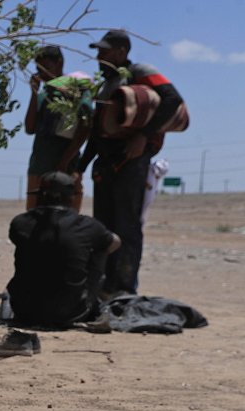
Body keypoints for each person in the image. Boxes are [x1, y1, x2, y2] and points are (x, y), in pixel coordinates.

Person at [77, 29, 184, 296]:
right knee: (103, 227)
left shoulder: (140, 71)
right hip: (105, 163)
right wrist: (80, 167)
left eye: (104, 51)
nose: (98, 56)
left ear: (121, 52)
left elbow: (172, 99)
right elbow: (97, 131)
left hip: (131, 161)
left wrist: (143, 136)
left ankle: (124, 287)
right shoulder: (105, 84)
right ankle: (103, 285)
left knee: (127, 226)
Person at [6, 171, 121, 328]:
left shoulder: (20, 222)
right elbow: (115, 242)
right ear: (71, 198)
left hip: (24, 311)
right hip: (71, 314)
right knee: (101, 248)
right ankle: (99, 297)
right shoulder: (86, 225)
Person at [23, 45, 92, 211]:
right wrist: (34, 93)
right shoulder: (44, 94)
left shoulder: (76, 90)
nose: (42, 73)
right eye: (38, 68)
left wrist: (65, 162)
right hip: (40, 165)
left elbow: (85, 127)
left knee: (67, 218)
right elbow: (30, 127)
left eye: (46, 67)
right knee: (34, 216)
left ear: (59, 63)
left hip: (67, 167)